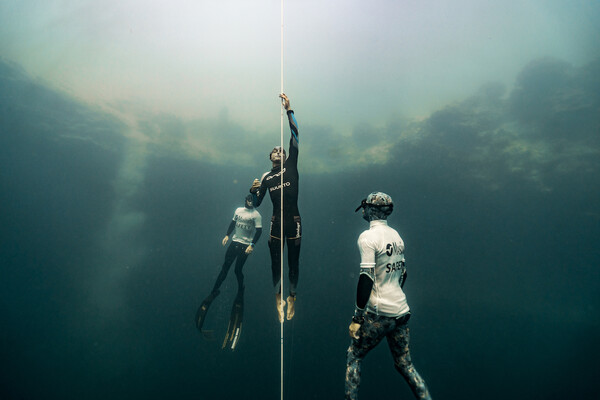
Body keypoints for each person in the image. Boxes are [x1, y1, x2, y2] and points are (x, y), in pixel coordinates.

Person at [345, 192, 432, 400]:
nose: (363, 210)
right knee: (405, 365)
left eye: (364, 206)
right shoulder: (396, 236)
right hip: (401, 311)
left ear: (369, 210)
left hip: (379, 313)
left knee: (354, 357)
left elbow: (366, 277)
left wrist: (358, 318)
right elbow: (403, 273)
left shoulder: (367, 238)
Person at [249, 93, 301, 323]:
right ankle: (277, 296)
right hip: (275, 223)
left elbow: (295, 136)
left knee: (293, 262)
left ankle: (292, 297)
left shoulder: (291, 164)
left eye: (282, 150)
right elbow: (256, 204)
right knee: (275, 263)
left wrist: (290, 110)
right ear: (270, 156)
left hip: (294, 221)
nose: (279, 151)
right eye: (275, 150)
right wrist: (252, 191)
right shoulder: (266, 177)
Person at [195, 194, 262, 350]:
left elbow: (259, 232)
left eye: (252, 201)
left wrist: (252, 244)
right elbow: (232, 223)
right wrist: (226, 235)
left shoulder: (256, 215)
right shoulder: (238, 210)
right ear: (246, 200)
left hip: (245, 246)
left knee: (238, 270)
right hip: (234, 243)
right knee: (225, 268)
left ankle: (240, 292)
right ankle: (214, 291)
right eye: (249, 200)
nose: (250, 203)